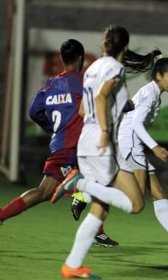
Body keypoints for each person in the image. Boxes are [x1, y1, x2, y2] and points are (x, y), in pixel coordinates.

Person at [50, 25, 161, 279]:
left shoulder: (92, 69)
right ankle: (81, 184)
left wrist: (111, 114)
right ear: (124, 45)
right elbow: (100, 98)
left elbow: (81, 111)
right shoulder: (114, 68)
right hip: (100, 145)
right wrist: (103, 130)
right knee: (136, 204)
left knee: (100, 209)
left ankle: (72, 266)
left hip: (85, 144)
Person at [72, 56, 168, 251]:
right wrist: (155, 147)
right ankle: (85, 193)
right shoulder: (149, 94)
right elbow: (136, 124)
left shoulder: (153, 92)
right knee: (136, 197)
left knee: (158, 191)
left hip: (130, 143)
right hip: (131, 143)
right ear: (158, 75)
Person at [0, 39, 118, 247]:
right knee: (95, 183)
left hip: (62, 146)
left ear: (62, 59)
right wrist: (128, 105)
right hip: (76, 146)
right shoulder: (82, 81)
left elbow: (33, 112)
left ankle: (95, 226)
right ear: (81, 59)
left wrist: (51, 127)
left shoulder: (49, 85)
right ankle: (81, 199)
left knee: (92, 183)